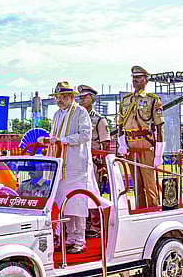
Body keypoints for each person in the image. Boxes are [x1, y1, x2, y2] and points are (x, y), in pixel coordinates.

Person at [49, 81, 99, 254]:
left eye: (63, 96)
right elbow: (53, 136)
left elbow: (85, 135)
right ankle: (69, 237)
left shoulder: (80, 111)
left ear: (71, 97)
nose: (59, 100)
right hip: (61, 165)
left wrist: (63, 141)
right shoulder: (56, 114)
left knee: (77, 203)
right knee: (64, 204)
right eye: (57, 97)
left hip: (77, 166)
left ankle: (80, 240)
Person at [117, 65, 164, 208]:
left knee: (150, 184)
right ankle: (140, 211)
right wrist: (122, 144)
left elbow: (159, 127)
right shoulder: (126, 100)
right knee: (136, 184)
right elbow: (120, 124)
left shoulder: (152, 100)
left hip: (146, 144)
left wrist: (158, 154)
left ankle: (153, 210)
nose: (135, 80)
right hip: (131, 144)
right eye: (134, 78)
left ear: (146, 80)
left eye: (138, 77)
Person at [78, 84, 111, 239]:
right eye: (80, 97)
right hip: (80, 162)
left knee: (94, 194)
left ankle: (96, 226)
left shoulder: (99, 119)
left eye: (85, 97)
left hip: (95, 162)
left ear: (92, 98)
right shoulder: (77, 117)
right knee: (81, 194)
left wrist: (104, 166)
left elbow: (105, 144)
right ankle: (83, 225)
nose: (81, 100)